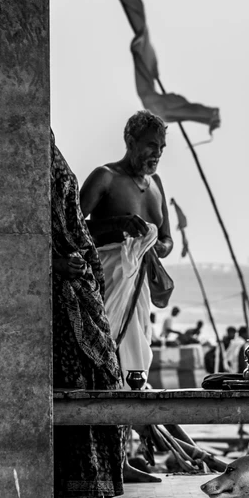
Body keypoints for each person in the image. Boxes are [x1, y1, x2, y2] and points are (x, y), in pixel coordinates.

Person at [50, 133, 135, 498]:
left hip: (83, 286)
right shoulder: (19, 159)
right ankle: (70, 496)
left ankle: (98, 489)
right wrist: (55, 262)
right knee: (72, 389)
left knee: (103, 382)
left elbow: (73, 224)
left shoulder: (52, 158)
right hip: (59, 296)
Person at [80, 110, 174, 378]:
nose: (157, 153)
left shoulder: (156, 184)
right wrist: (118, 225)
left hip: (139, 282)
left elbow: (167, 239)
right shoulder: (105, 176)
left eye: (162, 147)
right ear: (131, 142)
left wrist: (157, 247)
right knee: (103, 352)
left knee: (135, 359)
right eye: (152, 146)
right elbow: (69, 229)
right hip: (106, 280)